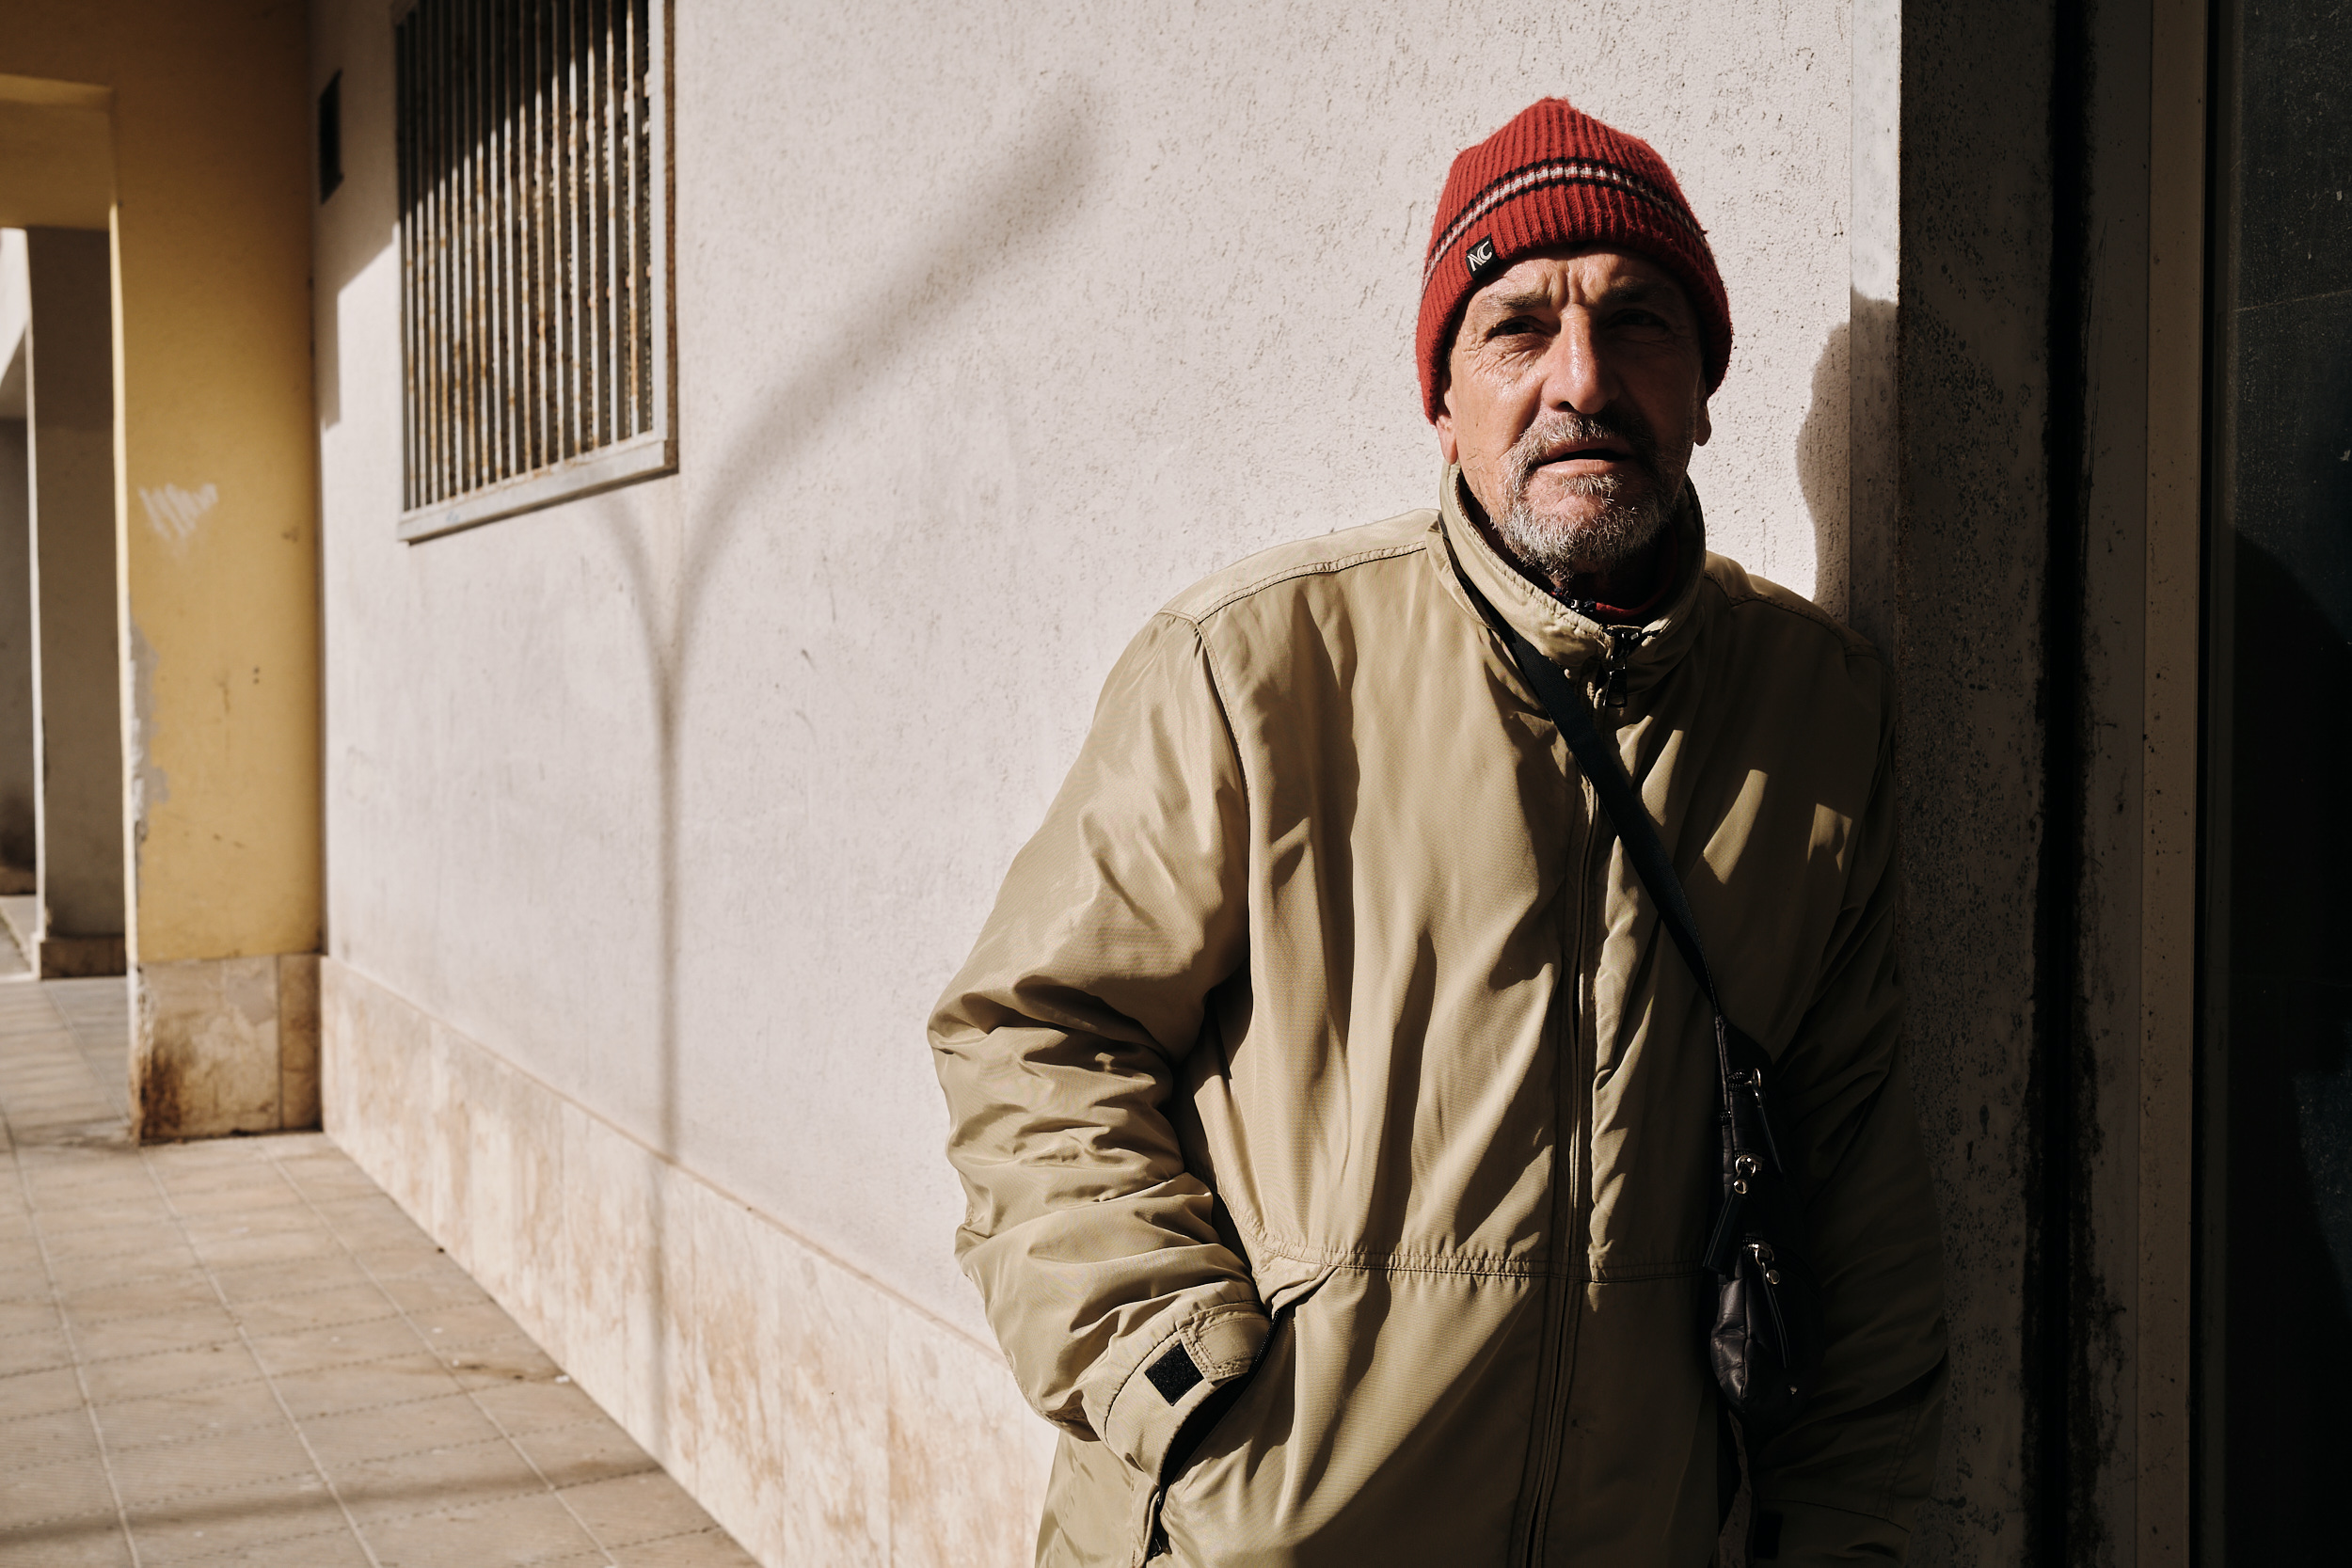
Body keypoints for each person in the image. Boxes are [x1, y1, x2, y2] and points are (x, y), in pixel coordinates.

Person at [930, 98, 1947, 1567]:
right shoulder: (1259, 666)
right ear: (1444, 399)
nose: (1580, 379)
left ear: (1705, 387)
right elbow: (1031, 1038)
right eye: (1519, 328)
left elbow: (1855, 1166)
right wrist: (1184, 1391)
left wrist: (1837, 1528)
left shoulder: (1816, 713)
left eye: (1640, 323)